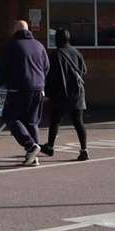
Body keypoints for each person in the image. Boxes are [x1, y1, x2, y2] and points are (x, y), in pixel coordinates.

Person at [0, 19, 49, 166]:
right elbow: (46, 67)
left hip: (18, 88)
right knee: (32, 122)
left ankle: (30, 146)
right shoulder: (39, 45)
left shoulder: (12, 45)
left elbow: (4, 68)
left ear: (15, 30)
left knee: (10, 116)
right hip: (38, 88)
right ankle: (33, 156)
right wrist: (40, 81)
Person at [40, 28, 88, 160]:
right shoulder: (76, 52)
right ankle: (84, 150)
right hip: (77, 93)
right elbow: (84, 71)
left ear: (57, 39)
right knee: (79, 122)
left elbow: (50, 76)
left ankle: (50, 146)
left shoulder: (55, 54)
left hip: (61, 93)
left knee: (55, 121)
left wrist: (48, 93)